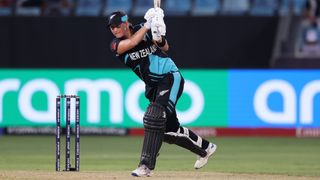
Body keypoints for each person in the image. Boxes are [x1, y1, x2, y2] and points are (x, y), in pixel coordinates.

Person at [107, 8, 217, 177]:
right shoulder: (116, 44)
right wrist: (148, 25)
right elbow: (131, 44)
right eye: (111, 27)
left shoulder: (144, 28)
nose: (114, 30)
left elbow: (165, 47)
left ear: (125, 23)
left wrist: (158, 36)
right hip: (152, 87)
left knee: (154, 116)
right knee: (168, 130)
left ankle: (146, 166)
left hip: (170, 77)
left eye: (116, 26)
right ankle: (205, 148)